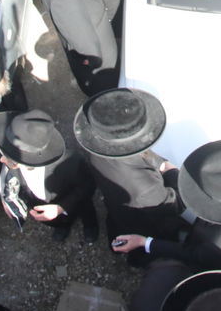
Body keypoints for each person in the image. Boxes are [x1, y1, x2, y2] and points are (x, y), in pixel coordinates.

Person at [111, 139, 221, 271]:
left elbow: (191, 253)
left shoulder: (219, 246)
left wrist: (143, 242)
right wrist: (161, 164)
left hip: (219, 258)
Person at [74, 88, 183, 245]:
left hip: (116, 212)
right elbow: (173, 206)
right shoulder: (147, 188)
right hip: (142, 228)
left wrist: (157, 160)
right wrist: (171, 170)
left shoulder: (96, 151)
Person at [0, 109, 99, 243]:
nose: (2, 160)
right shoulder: (11, 163)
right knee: (58, 221)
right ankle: (62, 226)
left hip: (73, 202)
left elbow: (87, 187)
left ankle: (90, 225)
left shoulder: (71, 163)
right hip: (41, 204)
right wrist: (7, 199)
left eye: (9, 157)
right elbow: (10, 182)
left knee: (85, 210)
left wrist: (61, 207)